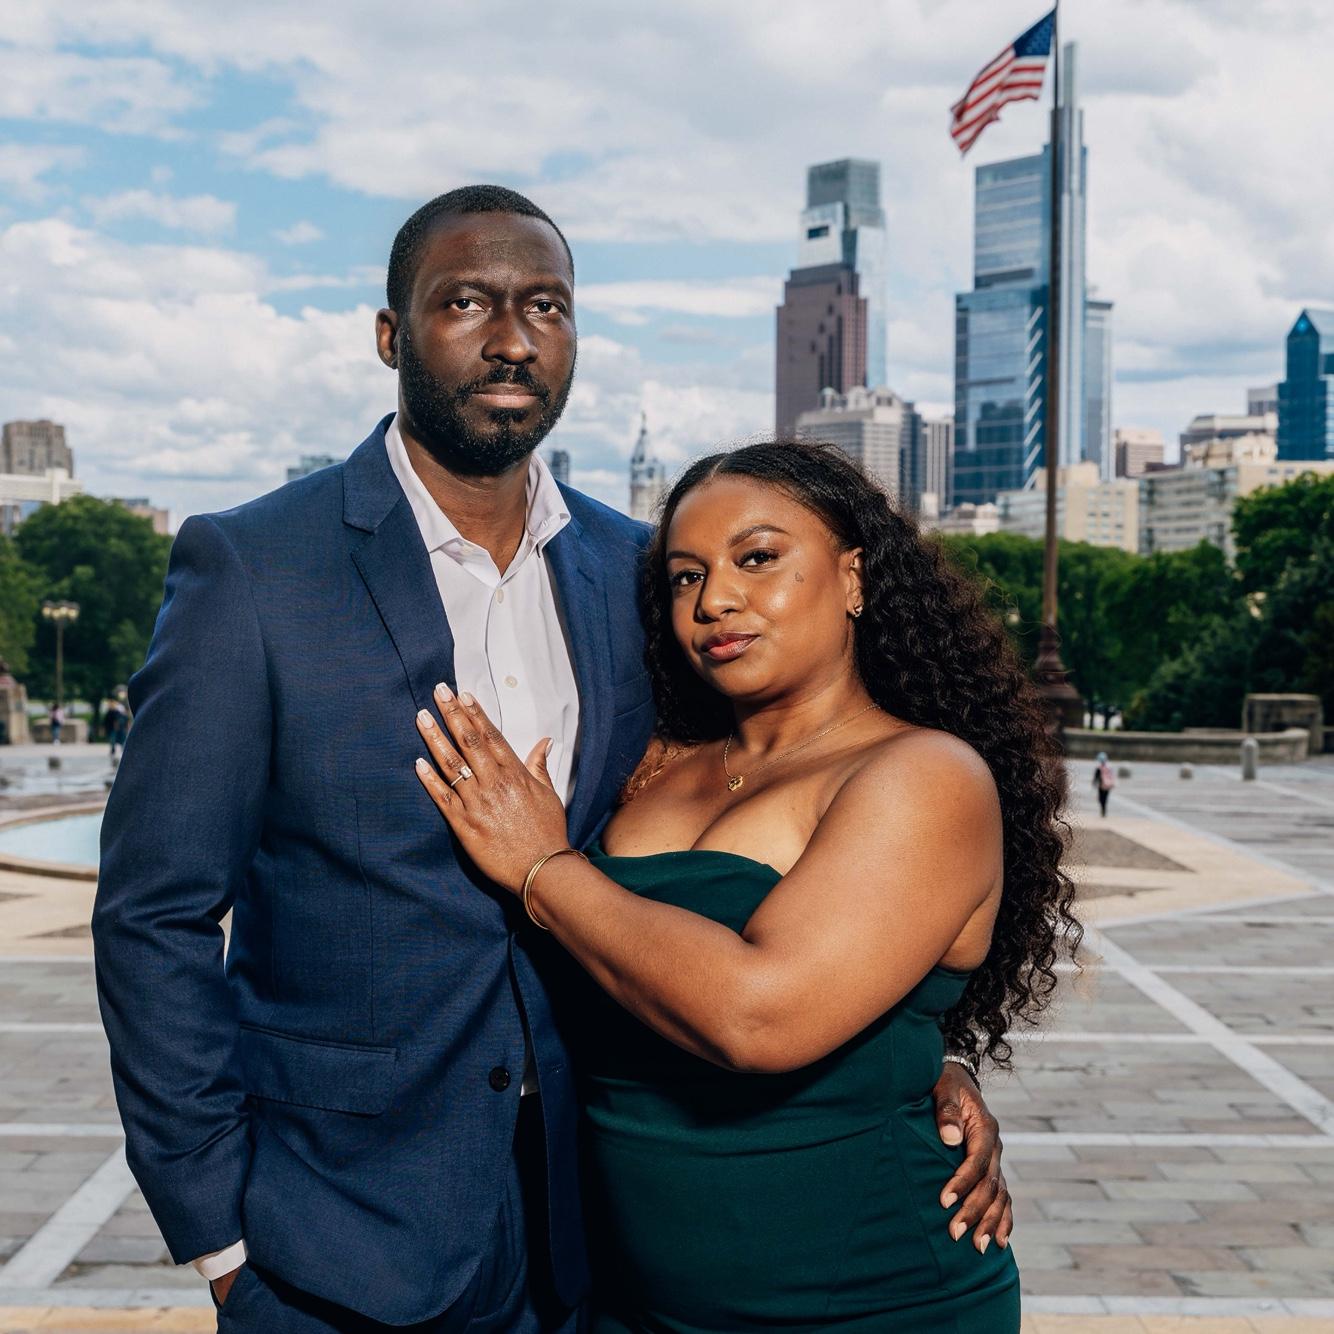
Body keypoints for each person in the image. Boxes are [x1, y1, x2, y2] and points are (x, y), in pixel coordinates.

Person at [94, 187, 1010, 1333]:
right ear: (388, 334)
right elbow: (156, 912)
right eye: (464, 302)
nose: (512, 338)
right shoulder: (254, 569)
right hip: (338, 1239)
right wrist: (221, 1235)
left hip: (598, 1233)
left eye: (544, 306)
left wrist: (922, 1059)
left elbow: (805, 850)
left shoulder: (639, 574)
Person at [414, 440, 1080, 1332]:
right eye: (687, 578)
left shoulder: (926, 775)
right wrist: (940, 1061)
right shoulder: (650, 764)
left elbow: (759, 1017)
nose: (715, 600)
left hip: (874, 1302)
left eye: (757, 558)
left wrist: (543, 867)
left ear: (853, 577)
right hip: (634, 1300)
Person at [1093, 749, 1116, 817]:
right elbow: (1112, 775)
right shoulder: (1108, 767)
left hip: (1103, 785)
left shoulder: (1099, 768)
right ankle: (1104, 809)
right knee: (1104, 798)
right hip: (1106, 785)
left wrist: (1094, 783)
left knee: (1101, 798)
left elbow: (1096, 777)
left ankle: (1103, 809)